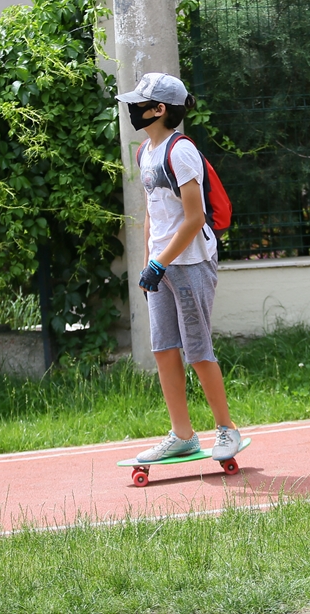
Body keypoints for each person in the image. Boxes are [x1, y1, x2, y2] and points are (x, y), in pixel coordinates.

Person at [116, 72, 243, 463]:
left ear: (159, 110)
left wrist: (159, 263)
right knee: (163, 349)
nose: (132, 109)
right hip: (161, 266)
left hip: (190, 263)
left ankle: (226, 430)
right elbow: (153, 214)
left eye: (141, 103)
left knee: (197, 349)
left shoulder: (180, 151)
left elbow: (193, 218)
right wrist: (147, 266)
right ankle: (183, 435)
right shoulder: (145, 152)